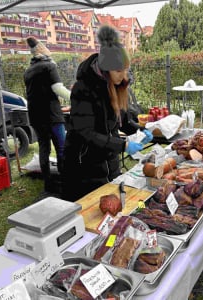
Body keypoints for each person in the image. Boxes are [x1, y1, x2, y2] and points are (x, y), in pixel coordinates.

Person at [62, 25, 153, 202]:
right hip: (83, 165)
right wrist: (123, 146)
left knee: (118, 202)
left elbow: (122, 120)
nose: (124, 75)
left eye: (126, 69)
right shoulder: (84, 89)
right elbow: (86, 133)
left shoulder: (117, 85)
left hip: (108, 160)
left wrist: (138, 131)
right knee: (92, 211)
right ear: (105, 70)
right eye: (119, 71)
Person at [24, 36, 71, 195]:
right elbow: (58, 89)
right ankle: (66, 181)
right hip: (51, 116)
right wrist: (77, 96)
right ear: (43, 51)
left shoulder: (28, 71)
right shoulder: (49, 66)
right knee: (61, 148)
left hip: (36, 117)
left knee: (44, 147)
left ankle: (48, 183)